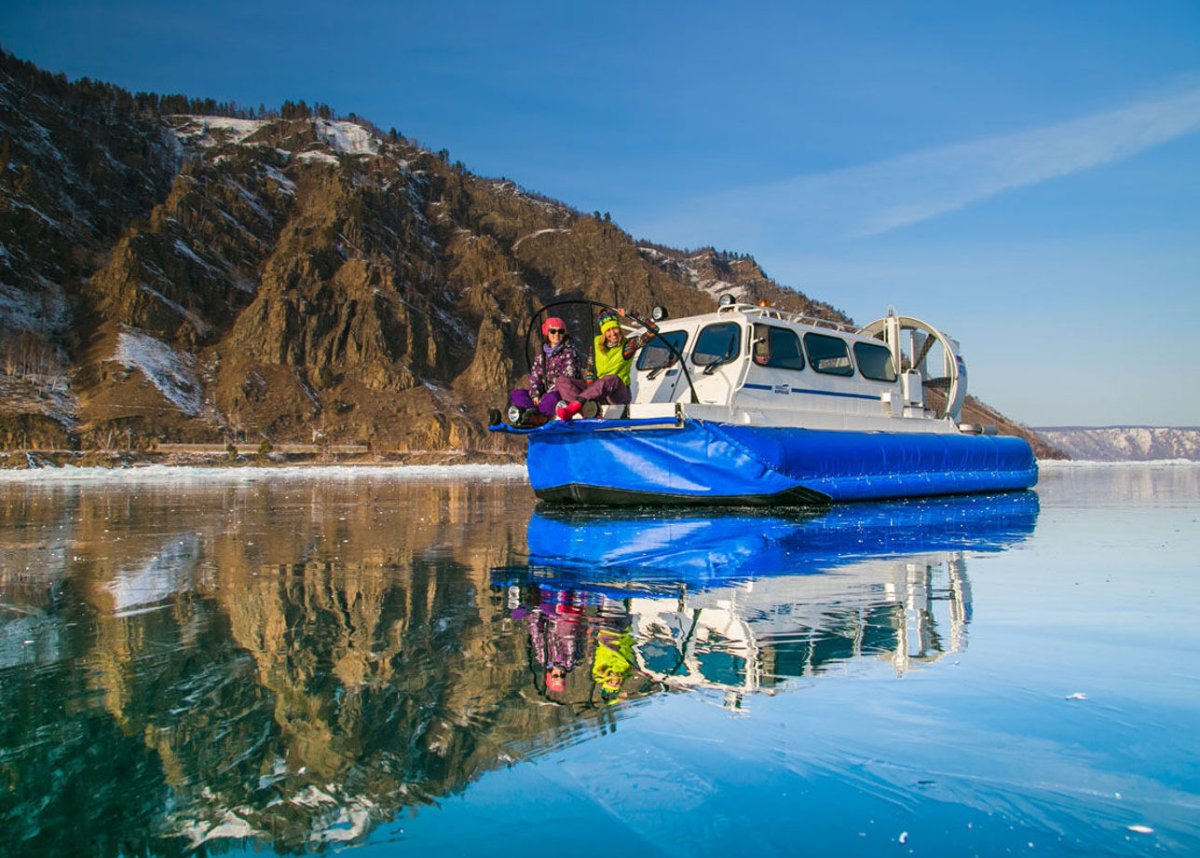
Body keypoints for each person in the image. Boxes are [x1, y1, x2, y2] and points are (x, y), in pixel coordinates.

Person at [554, 307, 657, 419]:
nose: (612, 333)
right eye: (608, 330)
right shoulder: (596, 344)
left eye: (615, 328)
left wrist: (631, 313)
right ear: (603, 333)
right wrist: (591, 397)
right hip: (598, 392)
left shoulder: (628, 346)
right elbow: (590, 372)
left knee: (611, 378)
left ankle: (574, 407)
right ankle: (588, 413)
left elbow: (653, 329)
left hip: (618, 394)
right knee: (562, 381)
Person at [508, 316, 583, 426]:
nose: (556, 334)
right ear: (547, 333)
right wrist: (535, 395)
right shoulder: (541, 356)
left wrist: (544, 396)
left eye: (560, 331)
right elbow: (535, 377)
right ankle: (530, 414)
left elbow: (567, 378)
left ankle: (541, 417)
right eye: (553, 331)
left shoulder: (569, 353)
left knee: (551, 397)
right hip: (544, 392)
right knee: (517, 394)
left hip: (560, 392)